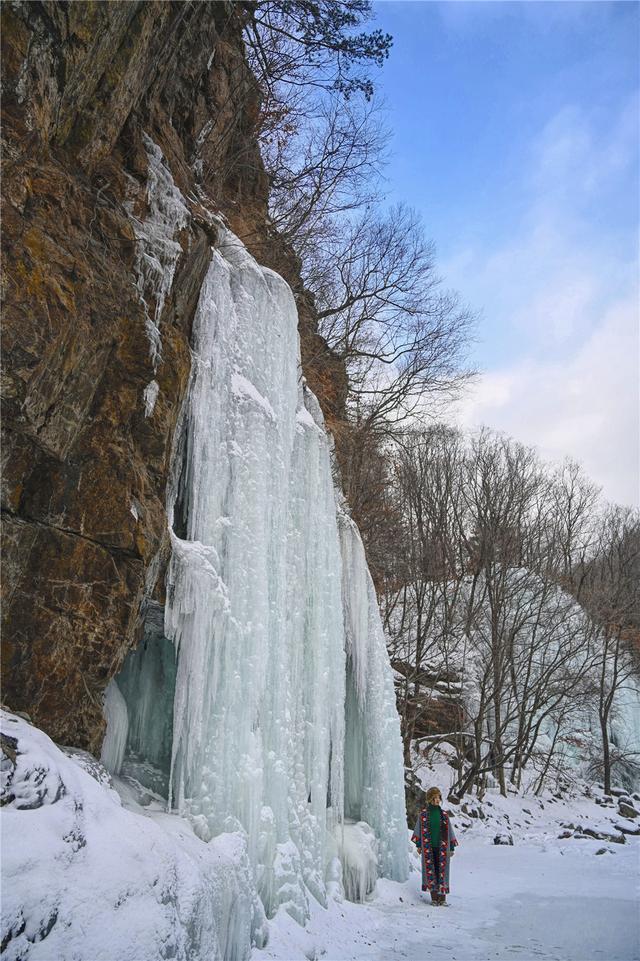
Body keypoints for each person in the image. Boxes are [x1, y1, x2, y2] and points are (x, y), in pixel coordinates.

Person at [412, 786, 458, 905]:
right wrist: (419, 845)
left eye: (438, 797)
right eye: (434, 797)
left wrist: (451, 848)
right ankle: (434, 898)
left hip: (442, 848)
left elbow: (450, 833)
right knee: (431, 872)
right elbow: (418, 831)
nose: (437, 800)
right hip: (429, 848)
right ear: (430, 799)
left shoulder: (444, 815)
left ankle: (442, 899)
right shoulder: (423, 815)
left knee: (442, 872)